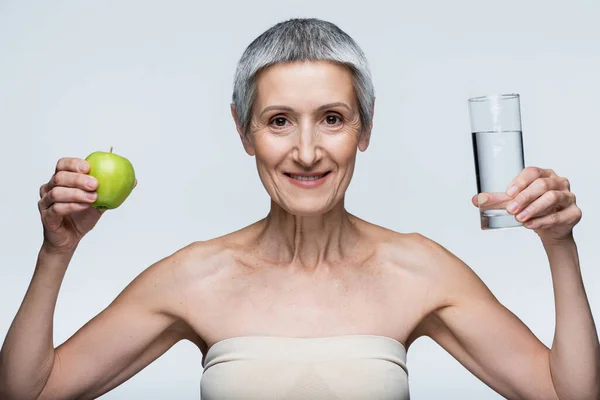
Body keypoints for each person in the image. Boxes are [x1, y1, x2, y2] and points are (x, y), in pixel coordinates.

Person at [0, 17, 598, 400]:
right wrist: (57, 252)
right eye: (279, 121)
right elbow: (30, 391)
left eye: (332, 119)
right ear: (244, 131)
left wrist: (559, 246)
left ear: (363, 130)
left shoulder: (419, 270)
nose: (307, 152)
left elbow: (568, 394)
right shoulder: (194, 277)